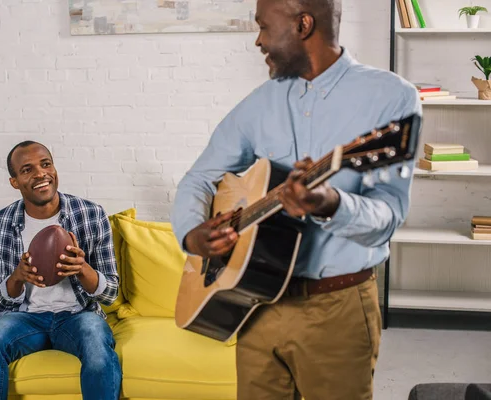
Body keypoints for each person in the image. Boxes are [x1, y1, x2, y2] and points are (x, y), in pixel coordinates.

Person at [170, 0, 422, 399]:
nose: (257, 40)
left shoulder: (390, 98)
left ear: (303, 25)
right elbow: (200, 177)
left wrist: (330, 204)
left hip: (336, 308)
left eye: (264, 27)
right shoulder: (259, 103)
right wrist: (192, 235)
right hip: (254, 305)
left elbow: (389, 215)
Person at [0, 141, 122, 400]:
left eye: (45, 164)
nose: (41, 174)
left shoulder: (91, 214)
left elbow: (110, 294)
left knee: (96, 343)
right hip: (26, 319)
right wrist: (17, 277)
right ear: (15, 182)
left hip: (78, 316)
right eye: (27, 170)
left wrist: (82, 269)